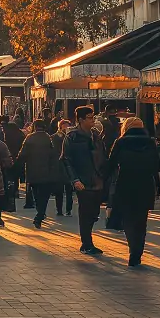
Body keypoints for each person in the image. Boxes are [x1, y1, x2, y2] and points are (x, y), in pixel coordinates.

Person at [103, 118, 160, 267]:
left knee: (128, 219)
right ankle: (138, 253)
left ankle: (132, 250)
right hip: (145, 185)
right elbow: (157, 166)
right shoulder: (150, 142)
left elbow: (111, 164)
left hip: (126, 184)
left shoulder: (121, 142)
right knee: (141, 221)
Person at [64, 107, 106, 255]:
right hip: (82, 180)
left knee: (94, 212)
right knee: (86, 211)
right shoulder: (72, 137)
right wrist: (74, 179)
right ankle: (87, 243)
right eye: (89, 117)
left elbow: (103, 155)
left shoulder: (96, 135)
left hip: (98, 179)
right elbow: (66, 160)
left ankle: (87, 241)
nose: (92, 120)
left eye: (92, 117)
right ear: (80, 120)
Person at [19, 119, 65, 228]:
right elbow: (54, 156)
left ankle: (40, 213)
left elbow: (22, 154)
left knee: (36, 195)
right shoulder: (49, 138)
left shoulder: (29, 138)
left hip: (33, 172)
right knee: (45, 196)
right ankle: (40, 214)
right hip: (47, 173)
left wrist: (18, 166)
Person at [0, 115, 26, 212]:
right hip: (17, 159)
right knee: (14, 178)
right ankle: (14, 193)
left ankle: (7, 201)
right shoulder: (20, 134)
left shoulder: (4, 134)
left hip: (7, 160)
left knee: (7, 180)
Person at [52, 119, 74, 217]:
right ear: (60, 127)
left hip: (69, 166)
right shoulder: (54, 138)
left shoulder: (72, 138)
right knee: (59, 191)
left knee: (69, 190)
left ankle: (68, 209)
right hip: (58, 166)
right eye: (64, 126)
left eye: (68, 126)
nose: (66, 128)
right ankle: (59, 210)